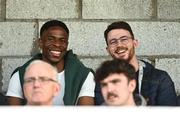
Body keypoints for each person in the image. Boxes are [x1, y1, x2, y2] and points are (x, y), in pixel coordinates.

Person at [6, 20, 95, 105]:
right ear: (40, 43)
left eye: (62, 40)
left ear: (67, 45)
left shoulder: (84, 75)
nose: (57, 44)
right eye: (51, 39)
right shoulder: (21, 75)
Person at [96, 21, 177, 106]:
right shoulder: (103, 82)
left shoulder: (160, 79)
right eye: (113, 42)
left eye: (124, 39)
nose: (119, 45)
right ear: (108, 50)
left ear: (135, 43)